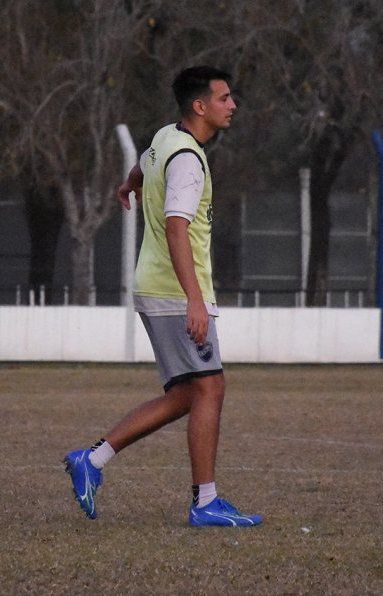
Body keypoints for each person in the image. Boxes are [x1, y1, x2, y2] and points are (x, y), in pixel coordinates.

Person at [64, 66, 261, 527]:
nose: (232, 105)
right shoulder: (189, 158)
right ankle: (205, 502)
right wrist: (195, 299)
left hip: (156, 286)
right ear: (200, 106)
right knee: (211, 387)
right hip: (175, 291)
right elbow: (177, 229)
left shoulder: (166, 137)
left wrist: (131, 182)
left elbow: (144, 162)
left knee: (185, 396)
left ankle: (90, 462)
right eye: (224, 98)